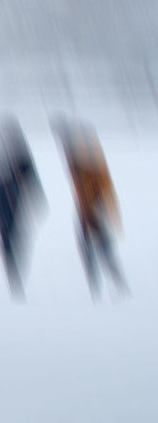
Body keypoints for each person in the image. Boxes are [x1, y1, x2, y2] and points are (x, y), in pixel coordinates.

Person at [52, 118, 128, 300]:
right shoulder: (74, 150)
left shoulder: (79, 151)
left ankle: (104, 287)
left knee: (94, 245)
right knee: (94, 245)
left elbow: (93, 178)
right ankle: (107, 285)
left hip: (92, 205)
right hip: (87, 205)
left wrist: (92, 207)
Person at [0, 115, 45, 298]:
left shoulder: (17, 150)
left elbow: (29, 173)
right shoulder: (0, 149)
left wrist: (37, 196)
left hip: (9, 196)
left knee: (9, 234)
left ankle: (14, 275)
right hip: (2, 195)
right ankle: (13, 275)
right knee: (7, 234)